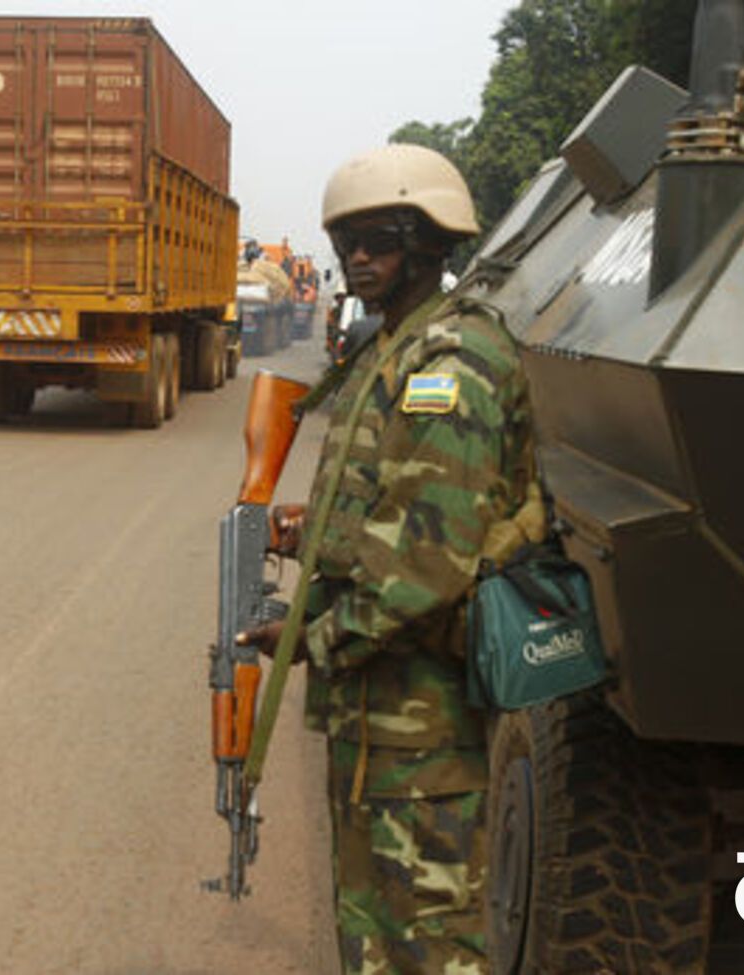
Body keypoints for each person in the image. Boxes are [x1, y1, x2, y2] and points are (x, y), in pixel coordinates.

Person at [240, 144, 535, 974]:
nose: (359, 259)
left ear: (432, 243)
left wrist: (312, 638)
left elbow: (427, 564)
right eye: (348, 243)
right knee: (373, 930)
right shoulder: (392, 351)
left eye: (381, 239)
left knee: (428, 941)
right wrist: (313, 532)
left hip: (425, 730)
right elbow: (389, 503)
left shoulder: (451, 363)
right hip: (378, 719)